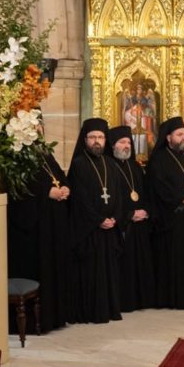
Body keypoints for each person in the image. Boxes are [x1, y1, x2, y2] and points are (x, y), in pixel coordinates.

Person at [7, 139, 73, 330]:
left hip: (53, 225)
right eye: (34, 126)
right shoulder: (17, 154)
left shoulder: (45, 153)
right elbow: (17, 190)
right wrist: (47, 193)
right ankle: (37, 322)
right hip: (34, 230)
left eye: (39, 126)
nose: (37, 131)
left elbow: (59, 176)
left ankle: (56, 317)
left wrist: (66, 187)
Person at [145, 116, 184, 309]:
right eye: (179, 134)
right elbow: (158, 187)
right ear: (168, 137)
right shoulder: (158, 160)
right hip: (173, 219)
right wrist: (182, 197)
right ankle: (175, 298)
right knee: (176, 260)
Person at [67, 118, 124, 324]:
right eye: (92, 137)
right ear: (85, 140)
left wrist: (114, 218)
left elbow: (118, 195)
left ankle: (109, 309)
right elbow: (80, 200)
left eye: (100, 137)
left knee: (109, 272)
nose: (97, 141)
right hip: (90, 230)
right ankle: (90, 312)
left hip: (109, 228)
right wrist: (99, 220)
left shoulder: (111, 164)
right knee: (91, 272)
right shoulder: (78, 165)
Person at [107, 125, 155, 312]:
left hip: (140, 223)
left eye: (128, 142)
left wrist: (145, 211)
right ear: (113, 146)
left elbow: (144, 193)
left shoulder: (135, 166)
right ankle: (126, 301)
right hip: (124, 224)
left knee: (140, 261)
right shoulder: (110, 166)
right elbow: (112, 198)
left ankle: (142, 299)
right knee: (125, 263)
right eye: (122, 142)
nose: (126, 146)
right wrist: (129, 215)